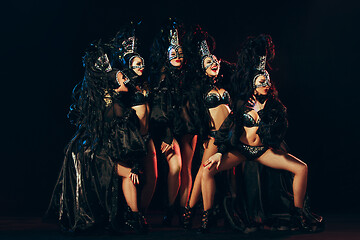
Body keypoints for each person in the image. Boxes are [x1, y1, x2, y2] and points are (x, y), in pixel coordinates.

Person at [199, 34, 323, 233]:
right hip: (241, 150)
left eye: (267, 82)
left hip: (262, 151)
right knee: (206, 170)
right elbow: (226, 128)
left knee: (302, 168)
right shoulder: (242, 103)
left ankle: (299, 215)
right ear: (253, 86)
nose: (265, 85)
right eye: (260, 82)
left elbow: (278, 132)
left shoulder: (275, 107)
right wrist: (220, 151)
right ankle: (205, 219)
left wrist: (265, 115)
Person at [45, 40, 148, 234]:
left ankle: (132, 217)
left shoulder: (108, 99)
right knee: (128, 173)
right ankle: (133, 218)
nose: (124, 80)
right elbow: (118, 137)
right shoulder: (111, 104)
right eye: (120, 78)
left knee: (129, 173)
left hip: (93, 148)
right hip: (89, 152)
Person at [181, 25, 235, 230]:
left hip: (231, 134)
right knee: (204, 171)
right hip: (214, 136)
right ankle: (198, 213)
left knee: (215, 173)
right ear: (201, 68)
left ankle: (194, 211)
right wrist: (204, 134)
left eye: (215, 60)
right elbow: (196, 115)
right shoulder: (198, 89)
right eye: (208, 62)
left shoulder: (223, 84)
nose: (213, 63)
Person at [149, 18, 198, 225]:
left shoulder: (189, 75)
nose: (177, 57)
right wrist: (168, 135)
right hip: (169, 129)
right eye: (172, 54)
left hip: (188, 127)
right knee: (175, 167)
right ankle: (170, 208)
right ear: (166, 56)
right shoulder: (162, 76)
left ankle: (184, 212)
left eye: (179, 53)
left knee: (187, 169)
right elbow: (161, 108)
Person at [110, 23, 158, 226]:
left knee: (153, 177)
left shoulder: (143, 83)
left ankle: (140, 214)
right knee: (131, 175)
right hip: (130, 139)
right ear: (129, 64)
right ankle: (134, 214)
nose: (141, 67)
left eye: (142, 64)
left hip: (147, 137)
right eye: (137, 64)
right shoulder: (124, 85)